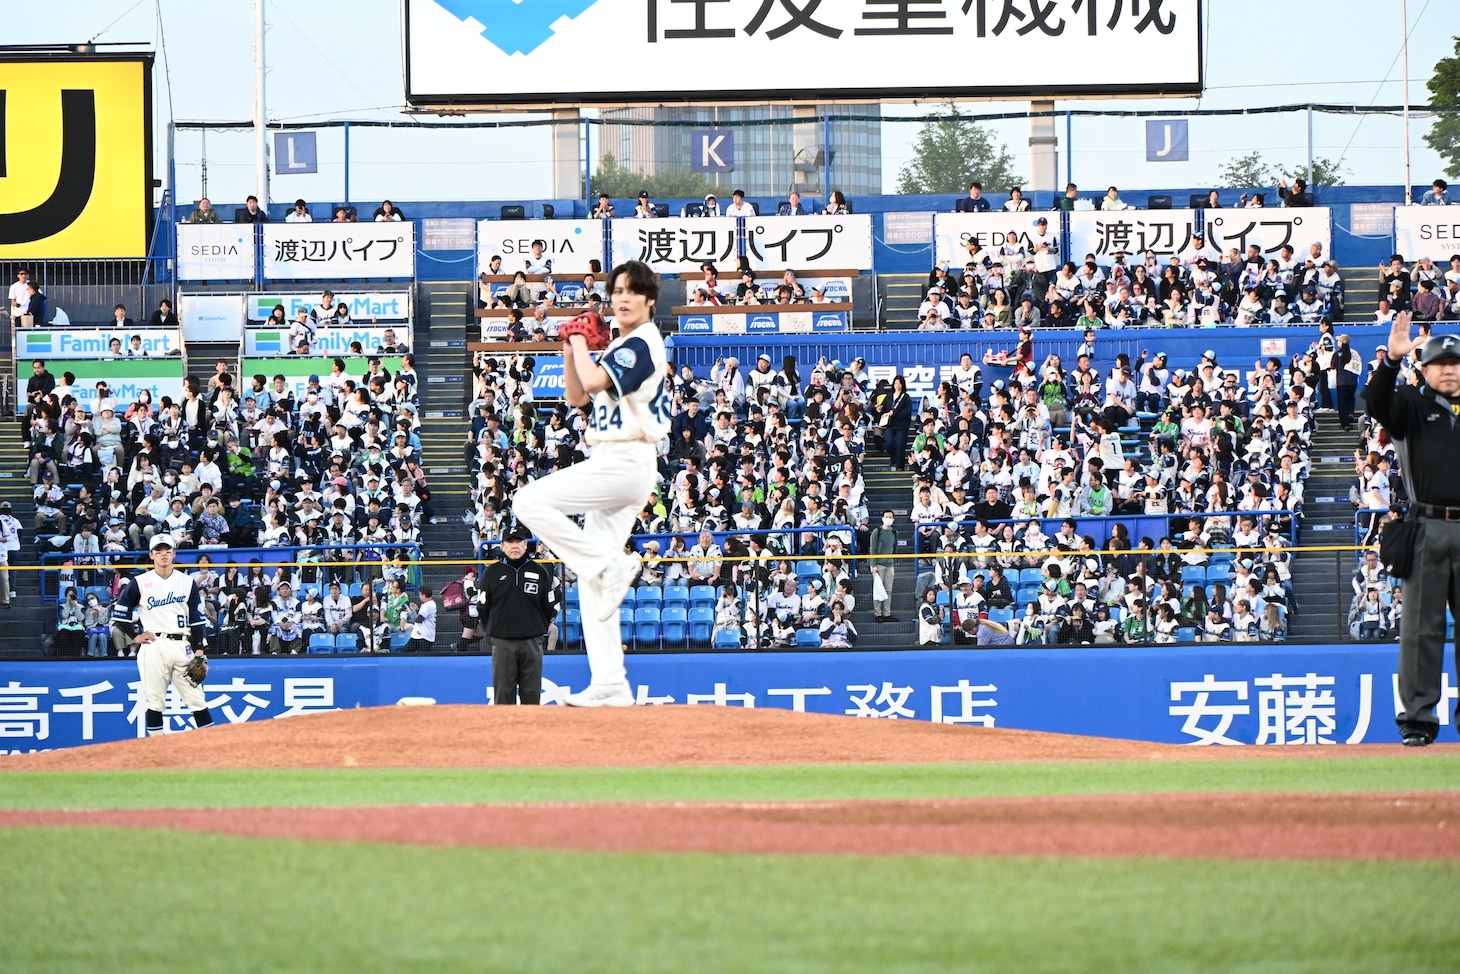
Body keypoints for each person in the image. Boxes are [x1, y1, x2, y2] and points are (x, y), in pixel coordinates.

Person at [512, 260, 671, 707]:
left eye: (631, 292)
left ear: (649, 302)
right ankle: (610, 683)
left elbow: (597, 379)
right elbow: (578, 395)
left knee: (527, 501)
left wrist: (580, 338)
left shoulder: (641, 342)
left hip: (626, 459)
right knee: (590, 581)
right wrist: (569, 347)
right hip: (613, 458)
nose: (621, 298)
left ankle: (611, 564)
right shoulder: (621, 343)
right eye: (616, 290)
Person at [1366, 311, 1460, 746]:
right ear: (1424, 369)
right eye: (1441, 364)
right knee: (1421, 629)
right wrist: (1390, 362)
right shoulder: (1410, 403)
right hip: (1427, 526)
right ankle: (1418, 722)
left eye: (1456, 364)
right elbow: (1375, 404)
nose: (1449, 370)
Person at [110, 534, 215, 737]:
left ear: (174, 554)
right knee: (155, 701)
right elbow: (120, 614)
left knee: (196, 698)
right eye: (159, 551)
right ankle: (157, 749)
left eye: (167, 550)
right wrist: (135, 636)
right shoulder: (140, 582)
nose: (163, 555)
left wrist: (200, 650)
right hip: (154, 646)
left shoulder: (186, 582)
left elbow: (197, 619)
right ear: (151, 555)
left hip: (182, 645)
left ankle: (211, 744)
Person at [481, 523, 557, 704]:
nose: (514, 546)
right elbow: (483, 607)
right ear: (502, 546)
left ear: (526, 545)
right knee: (503, 697)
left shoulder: (540, 571)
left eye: (519, 541)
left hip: (532, 642)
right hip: (502, 642)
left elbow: (548, 606)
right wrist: (493, 632)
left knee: (531, 696)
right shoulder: (492, 572)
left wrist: (536, 630)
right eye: (509, 541)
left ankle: (529, 733)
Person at [868, 510, 898, 622]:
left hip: (890, 564)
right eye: (886, 517)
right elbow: (873, 549)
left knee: (888, 590)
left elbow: (894, 548)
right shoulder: (877, 532)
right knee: (878, 589)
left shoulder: (894, 532)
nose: (888, 519)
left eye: (890, 517)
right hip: (878, 565)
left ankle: (887, 613)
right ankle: (878, 614)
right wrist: (873, 564)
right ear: (882, 518)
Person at [405, 586, 437, 652]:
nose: (419, 596)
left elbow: (418, 620)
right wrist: (417, 610)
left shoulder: (428, 605)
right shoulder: (430, 604)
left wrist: (410, 612)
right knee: (405, 653)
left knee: (424, 657)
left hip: (424, 636)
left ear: (424, 595)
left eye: (420, 594)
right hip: (417, 635)